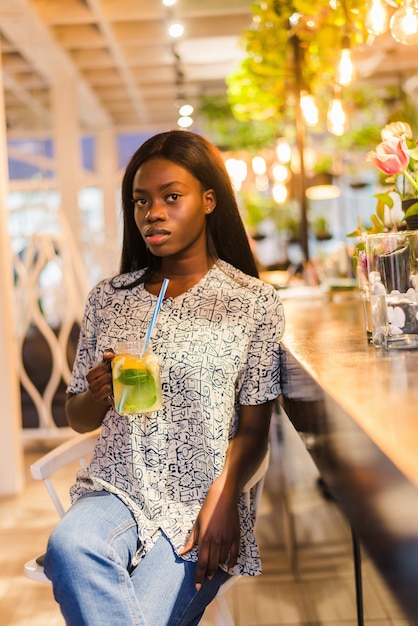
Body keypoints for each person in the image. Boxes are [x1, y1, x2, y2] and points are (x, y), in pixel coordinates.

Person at [44, 130, 284, 626]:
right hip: (115, 489)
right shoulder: (109, 298)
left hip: (201, 502)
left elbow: (255, 428)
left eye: (172, 197)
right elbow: (75, 416)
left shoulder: (253, 303)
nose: (153, 212)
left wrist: (223, 497)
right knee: (69, 546)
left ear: (208, 200)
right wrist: (97, 394)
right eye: (140, 201)